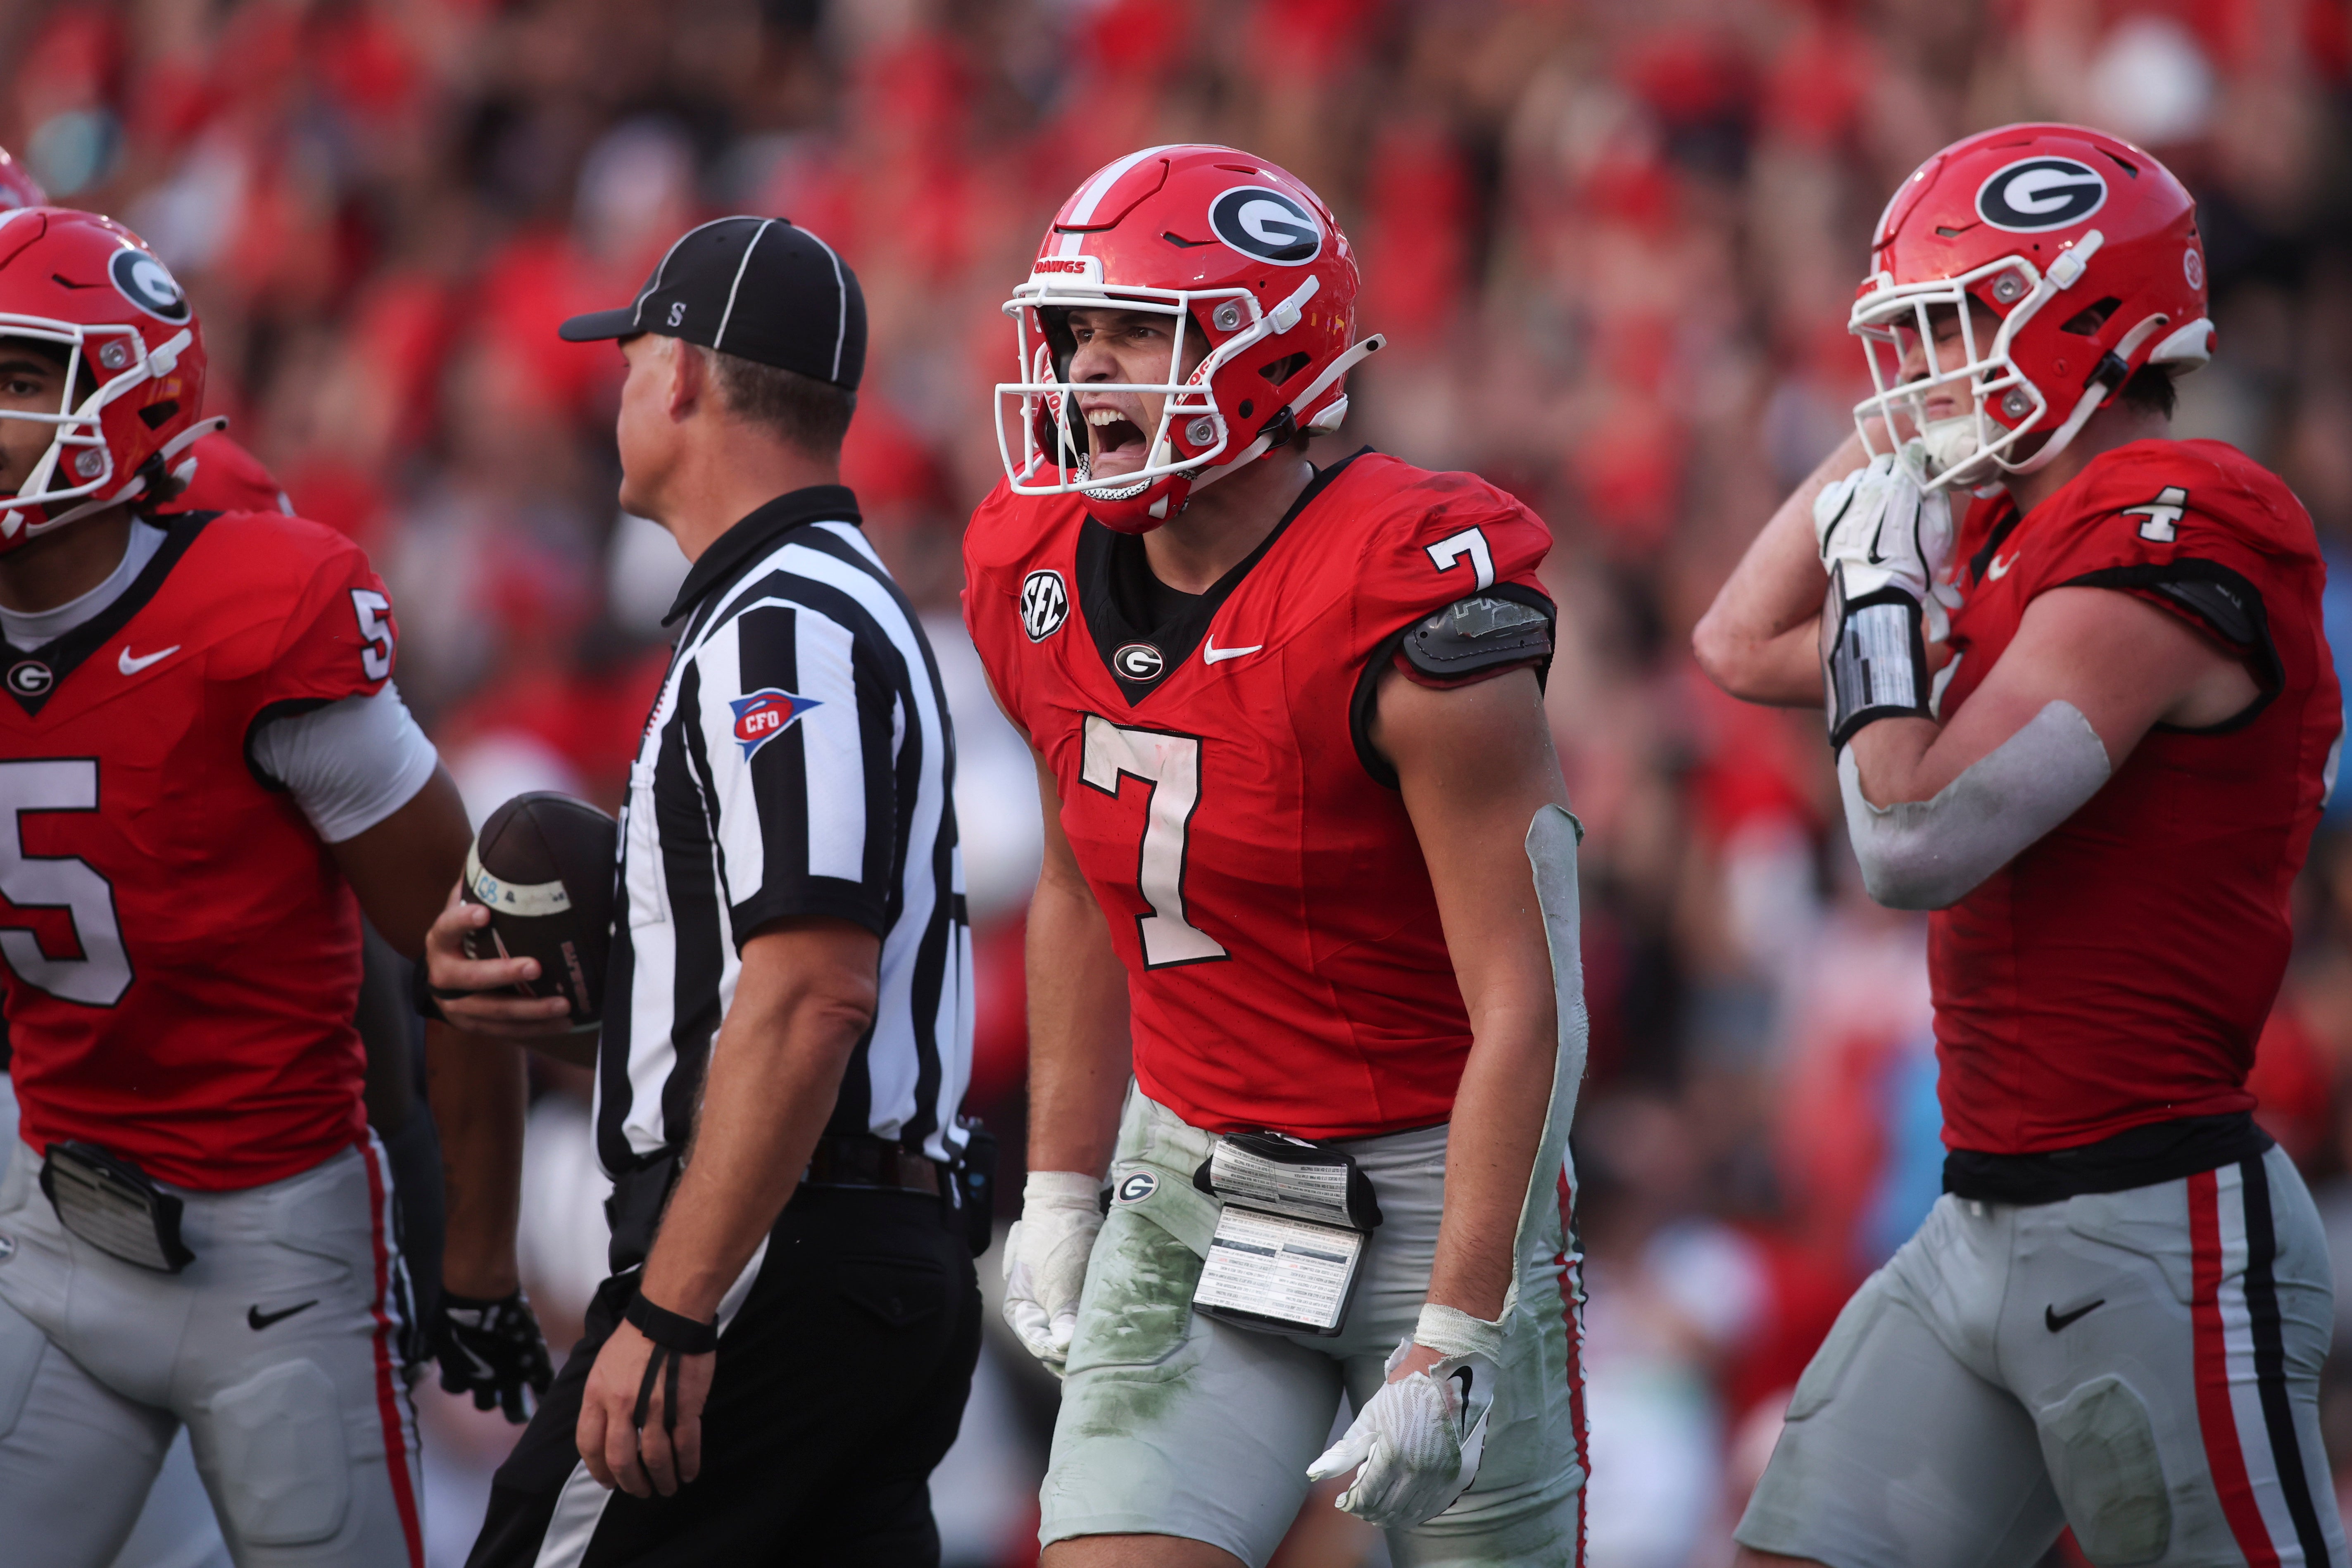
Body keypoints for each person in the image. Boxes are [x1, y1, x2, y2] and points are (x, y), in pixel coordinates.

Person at [1694, 122, 2348, 1568]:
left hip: (2154, 1231)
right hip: (1985, 1218)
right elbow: (1735, 640)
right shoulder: (2005, 533)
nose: (1924, 368)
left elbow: (1915, 835)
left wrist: (1877, 596)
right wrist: (1899, 447)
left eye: (1954, 324)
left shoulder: (2184, 531)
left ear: (2089, 323)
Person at [964, 144, 1590, 1568]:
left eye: (1137, 332)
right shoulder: (1032, 564)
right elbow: (1077, 867)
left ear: (1265, 353)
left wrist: (1460, 1324)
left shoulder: (1409, 597)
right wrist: (1061, 1183)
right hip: (1188, 1174)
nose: (1085, 373)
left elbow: (1529, 998)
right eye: (1075, 333)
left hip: (1436, 1182)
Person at [425, 215, 982, 1566]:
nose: (615, 391)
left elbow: (812, 991)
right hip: (859, 1246)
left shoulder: (783, 623)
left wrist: (675, 1309)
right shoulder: (814, 603)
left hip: (774, 1254)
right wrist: (553, 1015)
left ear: (677, 372)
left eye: (627, 361)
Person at [0, 205, 540, 1566]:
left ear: (130, 398)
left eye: (16, 377)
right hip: (51, 1225)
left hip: (276, 1256)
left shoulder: (252, 611)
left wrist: (473, 1261)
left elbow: (461, 951)